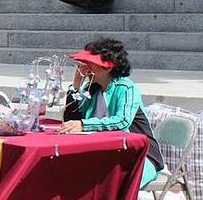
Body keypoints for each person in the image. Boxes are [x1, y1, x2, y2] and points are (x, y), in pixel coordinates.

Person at [59, 38, 165, 188]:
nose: (85, 68)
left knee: (108, 182)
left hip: (138, 156)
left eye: (90, 63)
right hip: (105, 153)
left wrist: (84, 124)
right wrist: (75, 87)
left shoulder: (126, 87)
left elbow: (122, 121)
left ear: (108, 67)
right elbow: (71, 120)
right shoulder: (92, 89)